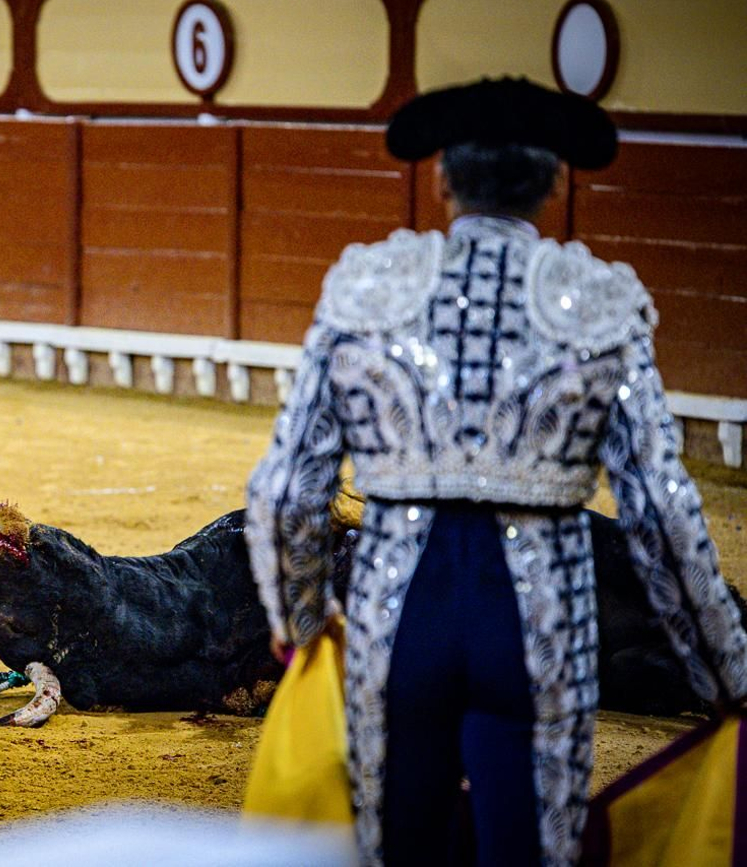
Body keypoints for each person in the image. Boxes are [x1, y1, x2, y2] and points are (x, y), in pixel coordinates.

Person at [244, 77, 747, 866]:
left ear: (442, 180)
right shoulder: (602, 304)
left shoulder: (368, 292)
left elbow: (283, 492)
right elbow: (661, 515)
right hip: (539, 617)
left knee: (399, 847)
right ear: (555, 182)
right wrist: (727, 674)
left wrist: (299, 624)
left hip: (396, 611)